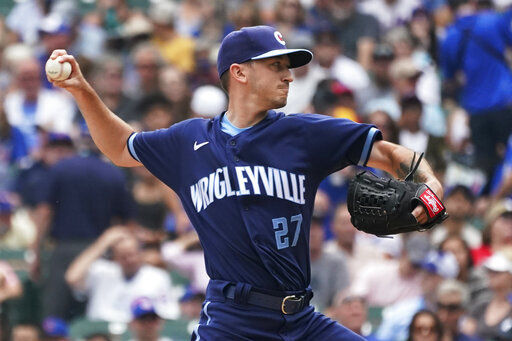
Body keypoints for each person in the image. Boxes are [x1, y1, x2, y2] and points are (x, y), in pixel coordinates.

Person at [48, 25, 443, 340]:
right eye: (276, 65)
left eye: (289, 66)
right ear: (239, 72)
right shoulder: (188, 141)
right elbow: (120, 148)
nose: (289, 75)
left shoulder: (305, 133)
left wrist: (429, 185)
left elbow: (391, 154)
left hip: (302, 319)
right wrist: (83, 92)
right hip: (232, 322)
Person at [65, 227, 180, 323]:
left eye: (132, 254)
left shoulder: (157, 276)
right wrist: (103, 242)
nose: (129, 260)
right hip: (103, 333)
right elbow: (72, 277)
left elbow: (170, 312)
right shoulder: (102, 271)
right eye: (123, 256)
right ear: (115, 257)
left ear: (140, 253)